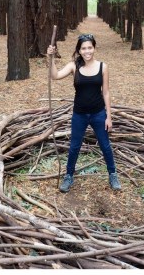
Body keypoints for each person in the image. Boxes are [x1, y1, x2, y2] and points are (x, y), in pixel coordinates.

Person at [46, 33, 121, 193]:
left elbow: (106, 92)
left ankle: (113, 174)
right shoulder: (74, 66)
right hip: (79, 114)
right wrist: (50, 58)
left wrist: (109, 117)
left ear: (94, 48)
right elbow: (55, 76)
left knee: (105, 145)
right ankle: (68, 176)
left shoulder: (103, 67)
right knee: (74, 147)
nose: (87, 51)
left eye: (90, 47)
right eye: (84, 48)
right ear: (79, 50)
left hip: (98, 113)